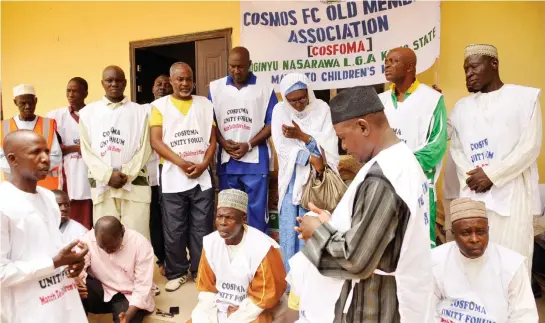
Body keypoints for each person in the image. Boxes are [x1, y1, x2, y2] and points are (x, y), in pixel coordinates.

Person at [287, 86, 433, 322]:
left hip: (378, 305)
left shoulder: (384, 177)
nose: (344, 147)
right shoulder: (403, 159)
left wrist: (317, 232)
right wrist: (331, 224)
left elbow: (355, 261)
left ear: (363, 127)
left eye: (343, 138)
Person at [448, 44, 542, 277]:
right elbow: (456, 148)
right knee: (477, 262)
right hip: (474, 192)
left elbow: (530, 147)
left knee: (512, 258)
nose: (468, 74)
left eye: (473, 67)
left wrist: (493, 175)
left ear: (494, 64)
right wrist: (473, 175)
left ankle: (512, 313)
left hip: (512, 194)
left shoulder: (524, 98)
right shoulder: (461, 108)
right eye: (465, 69)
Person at [0, 130, 88, 322]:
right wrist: (54, 262)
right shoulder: (3, 202)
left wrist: (73, 262)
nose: (46, 159)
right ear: (13, 159)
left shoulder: (49, 197)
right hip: (27, 309)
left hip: (62, 299)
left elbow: (51, 248)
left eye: (47, 152)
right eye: (35, 152)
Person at [150, 62, 216, 292]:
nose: (185, 83)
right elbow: (156, 141)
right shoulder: (159, 106)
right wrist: (182, 163)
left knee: (202, 227)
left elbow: (213, 139)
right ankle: (177, 272)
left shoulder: (205, 105)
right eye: (180, 80)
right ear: (171, 81)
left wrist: (204, 164)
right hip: (172, 177)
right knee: (174, 228)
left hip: (202, 177)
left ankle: (200, 271)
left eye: (188, 79)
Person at [271, 73, 339, 272]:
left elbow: (327, 149)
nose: (299, 105)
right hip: (292, 182)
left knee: (314, 232)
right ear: (284, 98)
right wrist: (308, 157)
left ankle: (314, 282)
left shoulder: (322, 109)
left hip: (317, 183)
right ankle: (294, 286)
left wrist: (302, 136)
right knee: (291, 233)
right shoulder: (279, 111)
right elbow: (281, 147)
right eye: (292, 101)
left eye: (302, 98)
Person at [380, 47, 448, 247]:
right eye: (386, 60)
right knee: (388, 248)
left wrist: (401, 164)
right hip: (385, 185)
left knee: (418, 249)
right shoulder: (380, 101)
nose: (387, 65)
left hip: (419, 186)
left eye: (393, 61)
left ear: (410, 67)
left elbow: (437, 145)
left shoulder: (432, 99)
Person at [432, 197, 538, 322]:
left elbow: (524, 316)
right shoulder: (435, 260)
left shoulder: (511, 264)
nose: (474, 239)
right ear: (453, 234)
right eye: (465, 233)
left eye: (481, 232)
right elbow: (425, 309)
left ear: (488, 230)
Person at [208, 46, 278, 233]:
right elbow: (209, 122)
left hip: (256, 162)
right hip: (227, 162)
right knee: (229, 214)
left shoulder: (265, 88)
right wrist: (222, 142)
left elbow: (273, 122)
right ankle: (233, 253)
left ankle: (258, 257)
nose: (236, 71)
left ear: (250, 65)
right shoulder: (215, 88)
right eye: (232, 66)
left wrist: (249, 144)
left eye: (240, 67)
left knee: (256, 214)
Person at [190, 189, 287, 322]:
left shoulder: (263, 248)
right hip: (220, 303)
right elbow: (207, 288)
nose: (222, 222)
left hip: (254, 307)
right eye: (219, 217)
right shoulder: (211, 243)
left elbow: (266, 296)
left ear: (243, 219)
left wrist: (240, 311)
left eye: (229, 217)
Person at [79, 65, 153, 238]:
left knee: (137, 235)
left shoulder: (141, 111)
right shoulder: (88, 113)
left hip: (134, 183)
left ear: (125, 83)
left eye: (118, 80)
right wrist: (107, 176)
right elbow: (87, 150)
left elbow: (145, 148)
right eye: (109, 80)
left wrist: (127, 174)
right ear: (102, 83)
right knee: (106, 236)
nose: (114, 84)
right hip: (102, 186)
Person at [79, 216, 155, 323]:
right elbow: (79, 267)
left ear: (123, 232)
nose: (107, 251)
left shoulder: (140, 244)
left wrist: (128, 316)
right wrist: (78, 282)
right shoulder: (87, 239)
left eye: (113, 247)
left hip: (128, 295)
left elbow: (142, 287)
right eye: (102, 247)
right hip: (102, 290)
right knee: (73, 289)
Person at [48, 77, 93, 229]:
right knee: (72, 207)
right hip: (70, 171)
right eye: (68, 91)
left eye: (75, 91)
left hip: (91, 171)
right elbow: (52, 147)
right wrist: (75, 148)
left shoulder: (93, 114)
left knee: (90, 207)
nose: (71, 94)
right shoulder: (56, 116)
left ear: (85, 93)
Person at [0, 84, 62, 190]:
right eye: (22, 103)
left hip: (46, 187)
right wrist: (26, 170)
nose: (27, 106)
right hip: (16, 187)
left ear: (36, 101)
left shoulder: (48, 124)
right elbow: (2, 158)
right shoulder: (4, 126)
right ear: (15, 102)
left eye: (30, 102)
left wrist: (31, 168)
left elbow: (56, 156)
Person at [143, 74, 173, 276]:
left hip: (172, 172)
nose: (162, 87)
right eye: (158, 84)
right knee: (155, 218)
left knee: (172, 218)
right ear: (152, 89)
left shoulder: (174, 108)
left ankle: (175, 258)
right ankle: (161, 258)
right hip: (152, 174)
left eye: (166, 84)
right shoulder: (143, 111)